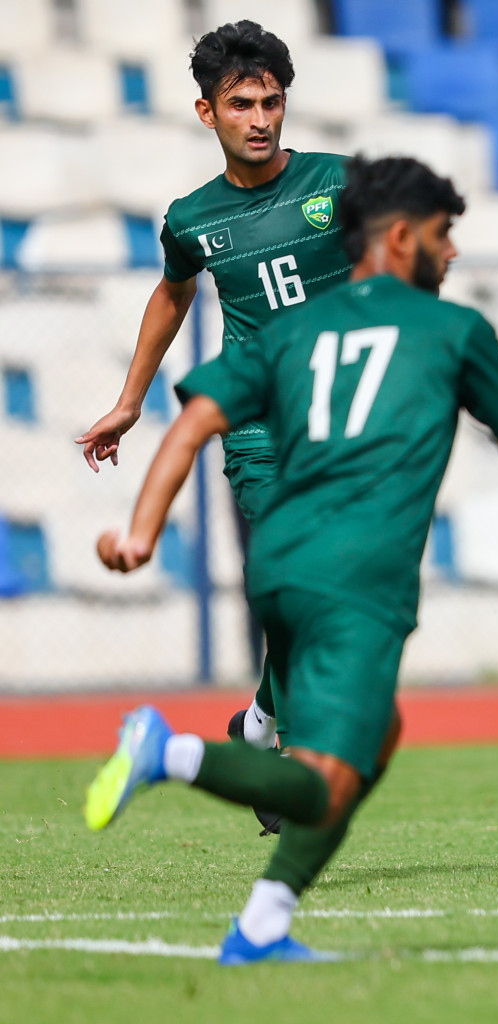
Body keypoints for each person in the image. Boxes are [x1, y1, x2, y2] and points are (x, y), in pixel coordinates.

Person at [82, 156, 498, 964]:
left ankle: (263, 924)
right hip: (360, 576)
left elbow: (195, 421)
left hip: (280, 560)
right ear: (403, 236)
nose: (452, 255)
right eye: (444, 237)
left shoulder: (295, 330)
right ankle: (170, 750)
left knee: (377, 740)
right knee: (321, 778)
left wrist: (142, 532)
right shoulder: (454, 331)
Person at [75, 21, 355, 832]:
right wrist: (131, 398)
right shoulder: (192, 219)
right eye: (243, 103)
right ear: (208, 113)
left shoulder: (341, 184)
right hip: (262, 435)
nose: (262, 118)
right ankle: (292, 784)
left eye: (272, 101)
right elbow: (173, 292)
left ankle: (258, 726)